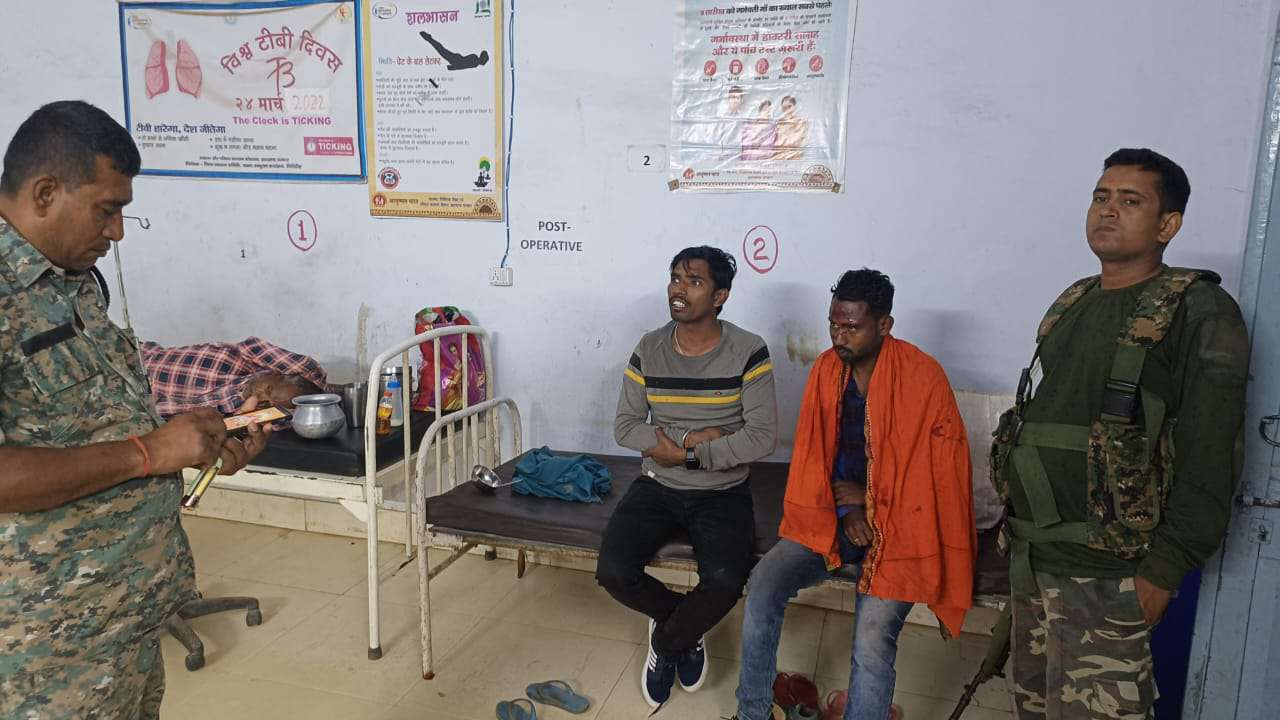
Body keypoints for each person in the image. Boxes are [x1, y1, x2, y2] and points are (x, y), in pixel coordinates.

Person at [0, 100, 270, 718]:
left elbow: (90, 420)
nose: (118, 231)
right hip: (43, 652)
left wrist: (201, 439)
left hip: (124, 624)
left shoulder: (69, 280)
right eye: (107, 210)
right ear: (45, 193)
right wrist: (150, 452)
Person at [991, 148, 1250, 719]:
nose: (1107, 210)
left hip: (1112, 576)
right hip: (1035, 562)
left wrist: (1164, 570)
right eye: (1100, 196)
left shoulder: (1199, 310)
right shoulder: (1073, 301)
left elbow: (1212, 453)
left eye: (1130, 201)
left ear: (1168, 225)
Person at [733, 269, 976, 720]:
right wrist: (849, 507)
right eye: (833, 324)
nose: (839, 336)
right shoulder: (827, 370)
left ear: (884, 325)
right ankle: (752, 712)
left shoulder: (924, 377)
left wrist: (869, 501)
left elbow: (938, 477)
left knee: (872, 637)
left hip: (902, 530)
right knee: (763, 584)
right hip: (833, 517)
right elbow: (815, 461)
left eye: (851, 327)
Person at [597, 245, 778, 709]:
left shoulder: (748, 350)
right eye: (676, 278)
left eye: (694, 281)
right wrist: (692, 440)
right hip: (657, 484)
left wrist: (690, 455)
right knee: (613, 571)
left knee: (725, 581)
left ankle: (669, 639)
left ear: (720, 296)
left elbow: (761, 438)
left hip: (723, 491)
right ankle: (684, 622)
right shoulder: (650, 347)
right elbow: (625, 427)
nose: (679, 290)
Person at [140, 336, 329, 417]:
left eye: (269, 403)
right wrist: (324, 392)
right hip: (139, 355)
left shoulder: (232, 407)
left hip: (135, 393)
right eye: (268, 390)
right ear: (276, 372)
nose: (260, 398)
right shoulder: (244, 360)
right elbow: (306, 367)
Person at [772, 95, 809, 161]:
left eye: (789, 106)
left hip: (795, 158)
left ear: (795, 106)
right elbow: (778, 144)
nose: (787, 110)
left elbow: (801, 143)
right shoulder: (780, 123)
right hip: (780, 158)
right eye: (784, 108)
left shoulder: (802, 122)